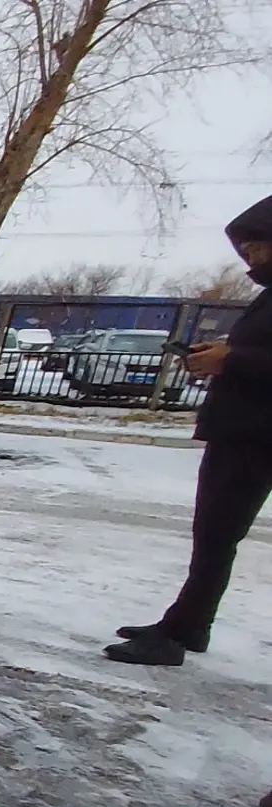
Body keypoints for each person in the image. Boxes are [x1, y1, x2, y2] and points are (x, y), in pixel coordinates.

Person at [107, 195, 272, 670]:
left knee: (218, 535)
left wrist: (233, 358)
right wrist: (222, 352)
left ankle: (179, 632)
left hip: (258, 435)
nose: (250, 260)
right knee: (215, 535)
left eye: (256, 248)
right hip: (245, 431)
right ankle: (186, 625)